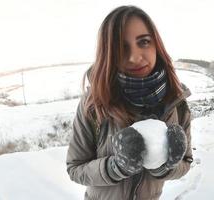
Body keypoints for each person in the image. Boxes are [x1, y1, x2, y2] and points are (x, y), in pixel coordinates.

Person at [66, 5, 193, 200]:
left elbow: (186, 163)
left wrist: (165, 166)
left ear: (156, 45)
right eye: (121, 48)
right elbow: (75, 169)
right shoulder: (94, 105)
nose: (134, 57)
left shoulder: (177, 102)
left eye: (143, 42)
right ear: (108, 54)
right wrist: (115, 167)